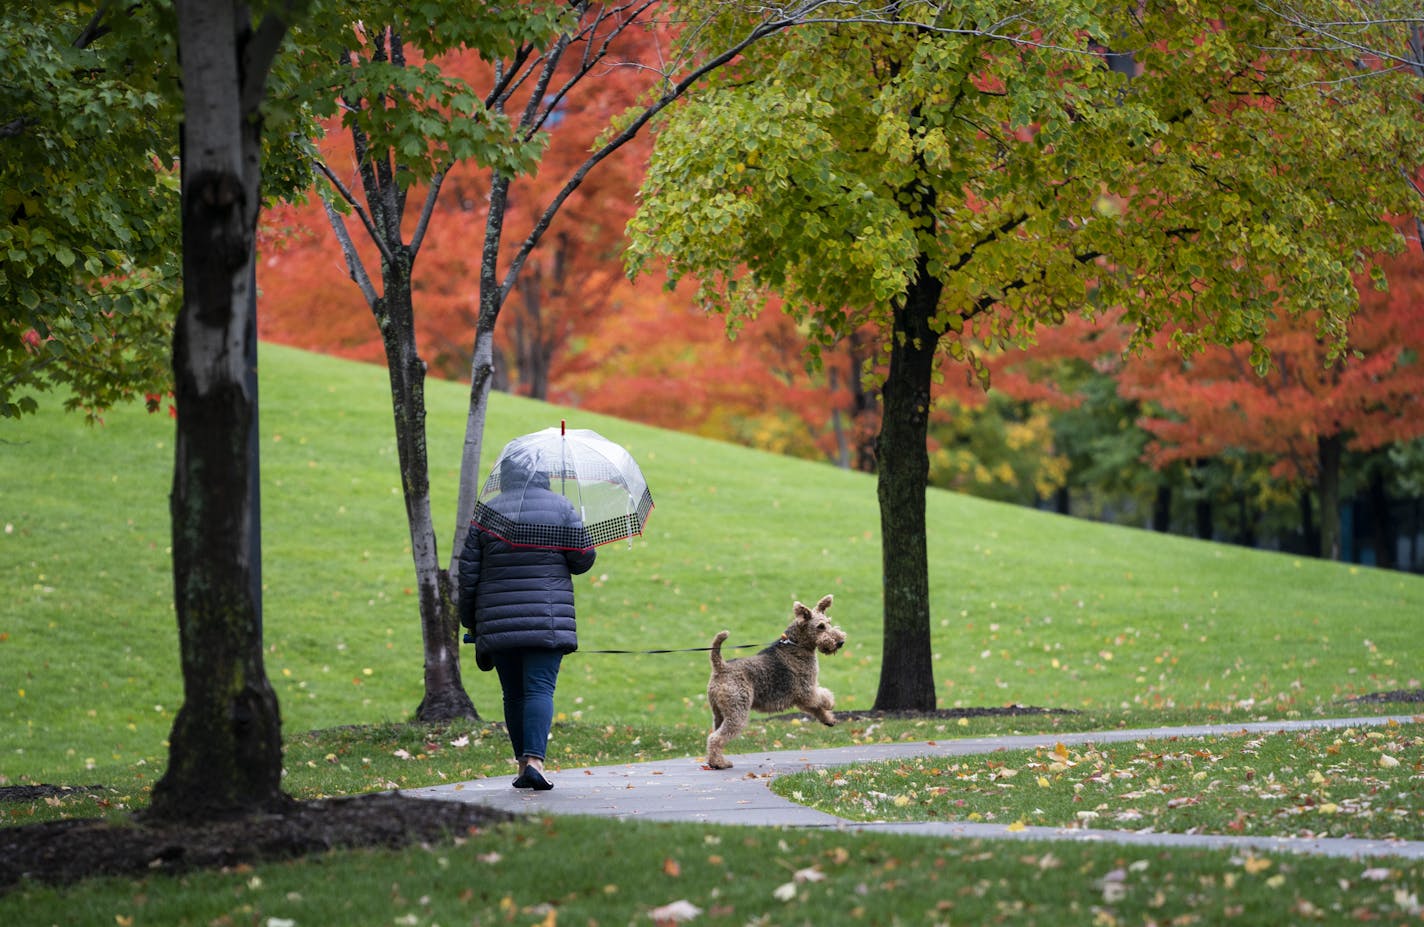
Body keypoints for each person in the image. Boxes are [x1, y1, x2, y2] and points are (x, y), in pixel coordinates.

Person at [458, 452, 596, 790]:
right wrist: (583, 529)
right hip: (547, 617)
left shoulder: (486, 513)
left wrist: (470, 623)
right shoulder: (561, 508)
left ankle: (523, 766)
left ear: (504, 477)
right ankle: (535, 761)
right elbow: (581, 562)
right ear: (543, 474)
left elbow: (467, 575)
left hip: (498, 620)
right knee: (539, 688)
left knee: (513, 694)